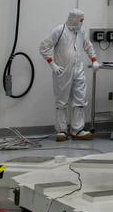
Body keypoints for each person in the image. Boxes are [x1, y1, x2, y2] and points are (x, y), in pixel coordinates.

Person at [39, 9, 99, 142]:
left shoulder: (81, 32)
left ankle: (77, 130)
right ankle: (61, 131)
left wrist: (94, 60)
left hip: (79, 70)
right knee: (61, 102)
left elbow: (88, 46)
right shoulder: (59, 30)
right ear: (74, 19)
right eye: (81, 20)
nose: (82, 22)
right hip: (63, 71)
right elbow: (44, 47)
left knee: (80, 100)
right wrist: (52, 64)